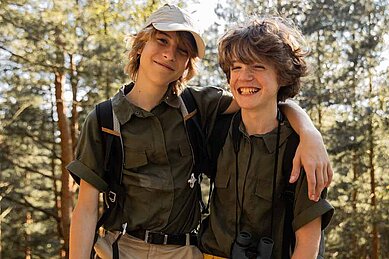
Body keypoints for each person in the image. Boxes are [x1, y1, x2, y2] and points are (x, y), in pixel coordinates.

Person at [67, 5, 332, 259]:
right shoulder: (104, 120)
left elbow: (262, 98)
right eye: (161, 41)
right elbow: (86, 209)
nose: (170, 54)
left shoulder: (197, 108)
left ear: (188, 64)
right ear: (140, 46)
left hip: (186, 251)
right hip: (123, 249)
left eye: (182, 50)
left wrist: (309, 133)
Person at [199, 17, 334, 259]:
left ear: (282, 75)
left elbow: (308, 245)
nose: (244, 77)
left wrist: (308, 133)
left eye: (257, 67)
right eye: (236, 67)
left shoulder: (301, 149)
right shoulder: (216, 130)